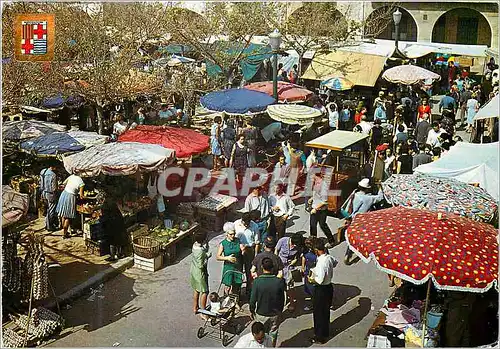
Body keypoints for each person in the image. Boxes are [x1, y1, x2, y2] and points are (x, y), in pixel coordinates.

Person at [249, 258, 286, 347]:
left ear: (262, 267)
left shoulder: (257, 282)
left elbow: (252, 299)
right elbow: (282, 298)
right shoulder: (279, 281)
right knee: (273, 333)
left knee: (261, 335)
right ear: (272, 268)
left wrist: (252, 310)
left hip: (261, 313)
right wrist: (279, 310)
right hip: (275, 314)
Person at [308, 238, 338, 344]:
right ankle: (325, 332)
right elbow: (335, 263)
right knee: (325, 312)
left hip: (321, 289)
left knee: (319, 313)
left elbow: (319, 280)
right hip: (329, 287)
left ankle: (319, 336)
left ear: (316, 250)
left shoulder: (321, 262)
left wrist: (311, 279)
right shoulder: (329, 257)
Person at [275, 233, 302, 311]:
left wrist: (294, 261)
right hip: (280, 266)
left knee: (290, 285)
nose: (294, 247)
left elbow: (297, 256)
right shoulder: (283, 240)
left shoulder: (298, 246)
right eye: (293, 245)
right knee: (279, 284)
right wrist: (276, 261)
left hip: (289, 267)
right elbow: (276, 250)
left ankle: (292, 302)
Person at [235, 212, 260, 295]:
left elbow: (257, 242)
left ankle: (249, 290)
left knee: (249, 271)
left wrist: (256, 255)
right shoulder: (236, 224)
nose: (246, 225)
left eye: (248, 223)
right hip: (238, 249)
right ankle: (237, 291)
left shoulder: (255, 226)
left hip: (249, 250)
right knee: (238, 271)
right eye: (245, 223)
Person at [308, 171, 336, 247]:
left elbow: (324, 201)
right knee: (312, 225)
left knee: (322, 225)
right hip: (315, 207)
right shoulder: (316, 183)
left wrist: (315, 209)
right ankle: (313, 241)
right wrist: (312, 198)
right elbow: (317, 195)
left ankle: (331, 241)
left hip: (321, 210)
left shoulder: (323, 186)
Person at [216, 222, 244, 296]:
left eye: (234, 234)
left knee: (236, 286)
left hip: (238, 266)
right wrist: (227, 258)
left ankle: (234, 301)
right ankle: (226, 300)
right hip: (228, 267)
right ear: (226, 234)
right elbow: (218, 257)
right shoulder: (223, 243)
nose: (233, 236)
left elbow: (242, 249)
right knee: (227, 286)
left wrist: (243, 249)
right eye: (230, 234)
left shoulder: (237, 240)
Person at [56, 173, 85, 239]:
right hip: (70, 197)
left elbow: (63, 184)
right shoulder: (81, 182)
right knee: (68, 217)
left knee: (63, 214)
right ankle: (65, 234)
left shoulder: (71, 176)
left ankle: (64, 232)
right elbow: (81, 196)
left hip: (64, 194)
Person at [190, 231, 211, 315]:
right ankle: (203, 312)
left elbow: (203, 249)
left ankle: (195, 307)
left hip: (193, 271)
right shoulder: (201, 252)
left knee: (196, 289)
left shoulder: (194, 245)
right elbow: (201, 265)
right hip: (200, 273)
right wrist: (207, 257)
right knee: (205, 291)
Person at [101, 196, 128, 261]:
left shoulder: (105, 207)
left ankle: (113, 256)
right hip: (118, 224)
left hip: (111, 225)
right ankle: (119, 254)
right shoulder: (113, 205)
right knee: (118, 239)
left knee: (112, 241)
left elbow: (105, 218)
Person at [39, 162, 58, 231]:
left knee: (47, 209)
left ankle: (47, 224)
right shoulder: (53, 175)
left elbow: (40, 183)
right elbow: (54, 188)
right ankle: (50, 226)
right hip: (50, 194)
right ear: (53, 167)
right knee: (51, 210)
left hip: (43, 193)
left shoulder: (43, 171)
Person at [301, 237, 317, 311]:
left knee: (313, 290)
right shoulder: (306, 250)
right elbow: (304, 257)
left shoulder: (319, 251)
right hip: (307, 271)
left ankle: (314, 304)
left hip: (314, 273)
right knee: (308, 288)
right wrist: (302, 266)